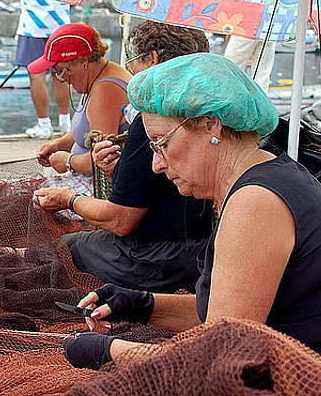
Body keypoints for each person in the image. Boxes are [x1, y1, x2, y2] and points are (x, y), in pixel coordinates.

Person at [62, 53, 321, 388]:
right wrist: (144, 304)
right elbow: (228, 318)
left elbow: (218, 358)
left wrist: (110, 351)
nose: (155, 165)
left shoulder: (256, 201)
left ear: (211, 125)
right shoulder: (267, 177)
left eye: (160, 144)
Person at [33, 22, 212, 293]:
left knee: (68, 247)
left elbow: (121, 221)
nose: (130, 74)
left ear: (151, 59)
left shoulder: (152, 121)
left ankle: (16, 255)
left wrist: (66, 199)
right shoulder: (214, 111)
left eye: (132, 63)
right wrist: (115, 169)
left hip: (162, 257)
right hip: (206, 247)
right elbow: (154, 184)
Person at [29, 22, 131, 195]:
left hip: (102, 190)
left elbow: (105, 158)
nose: (61, 79)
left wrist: (69, 161)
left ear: (83, 61)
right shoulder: (98, 77)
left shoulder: (106, 90)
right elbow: (86, 132)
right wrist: (56, 145)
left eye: (61, 70)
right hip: (87, 181)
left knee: (24, 200)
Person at [15, 0, 71, 138]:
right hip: (60, 25)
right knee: (61, 75)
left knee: (36, 74)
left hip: (33, 26)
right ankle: (66, 124)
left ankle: (44, 125)